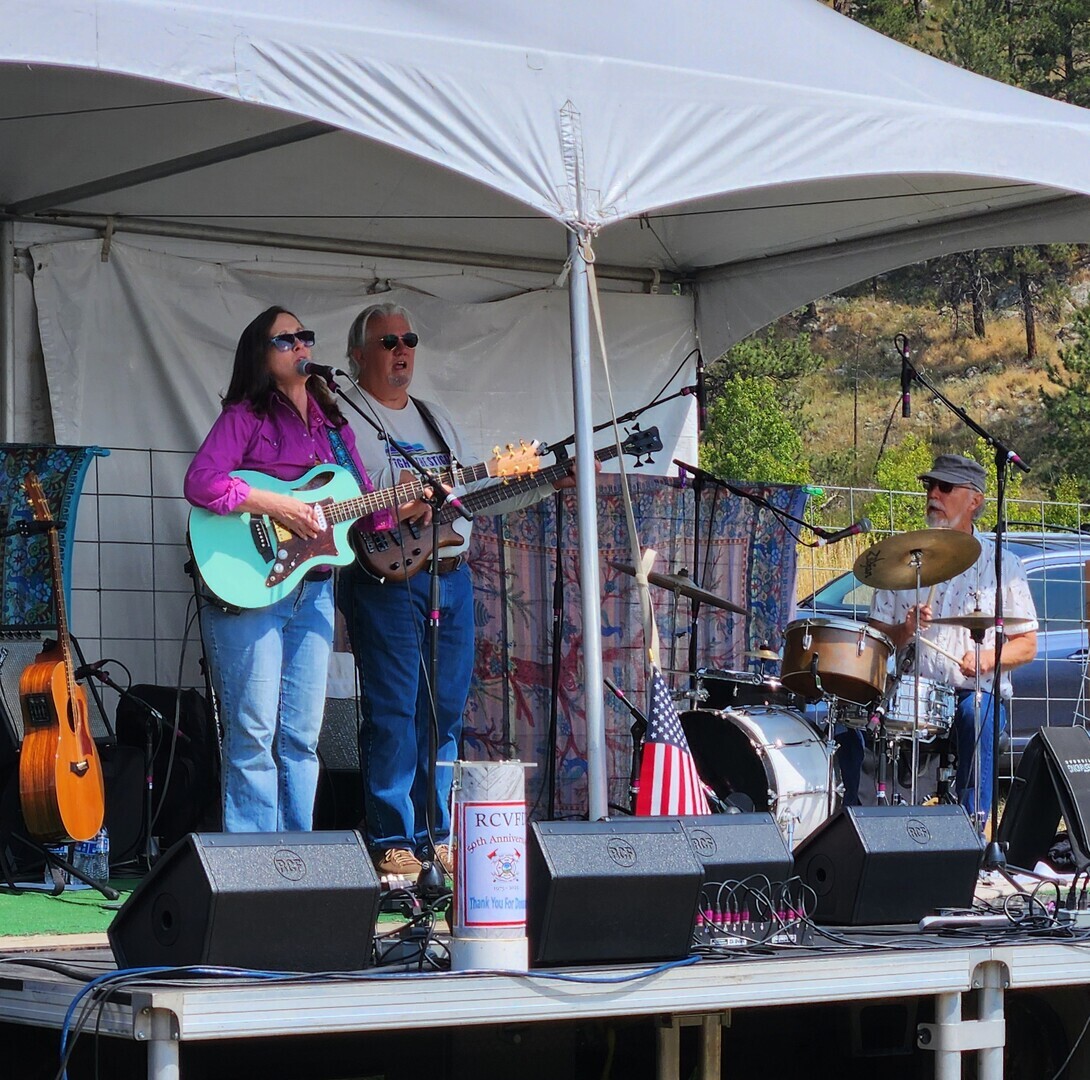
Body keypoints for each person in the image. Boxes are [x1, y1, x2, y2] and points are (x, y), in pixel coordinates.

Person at [337, 302, 575, 877]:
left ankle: (436, 833)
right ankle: (393, 837)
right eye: (389, 341)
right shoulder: (344, 418)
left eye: (409, 340)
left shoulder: (436, 419)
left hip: (450, 576)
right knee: (394, 707)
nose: (402, 350)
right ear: (358, 355)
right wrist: (397, 504)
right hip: (384, 578)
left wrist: (545, 483)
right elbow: (336, 499)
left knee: (443, 709)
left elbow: (475, 497)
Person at [185, 306, 383, 833]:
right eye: (285, 340)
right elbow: (201, 482)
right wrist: (277, 505)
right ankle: (255, 867)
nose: (300, 346)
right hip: (250, 589)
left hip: (313, 590)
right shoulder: (244, 416)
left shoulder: (336, 426)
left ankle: (300, 862)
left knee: (301, 735)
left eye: (305, 337)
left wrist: (419, 504)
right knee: (252, 731)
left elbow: (368, 509)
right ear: (261, 356)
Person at [864, 454, 1038, 820]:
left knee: (977, 711)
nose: (933, 495)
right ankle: (867, 825)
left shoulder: (1003, 564)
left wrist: (989, 659)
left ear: (974, 500)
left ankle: (973, 827)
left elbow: (1027, 645)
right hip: (910, 690)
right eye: (930, 486)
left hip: (973, 692)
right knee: (849, 720)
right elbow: (877, 641)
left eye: (945, 487)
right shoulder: (901, 557)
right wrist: (905, 629)